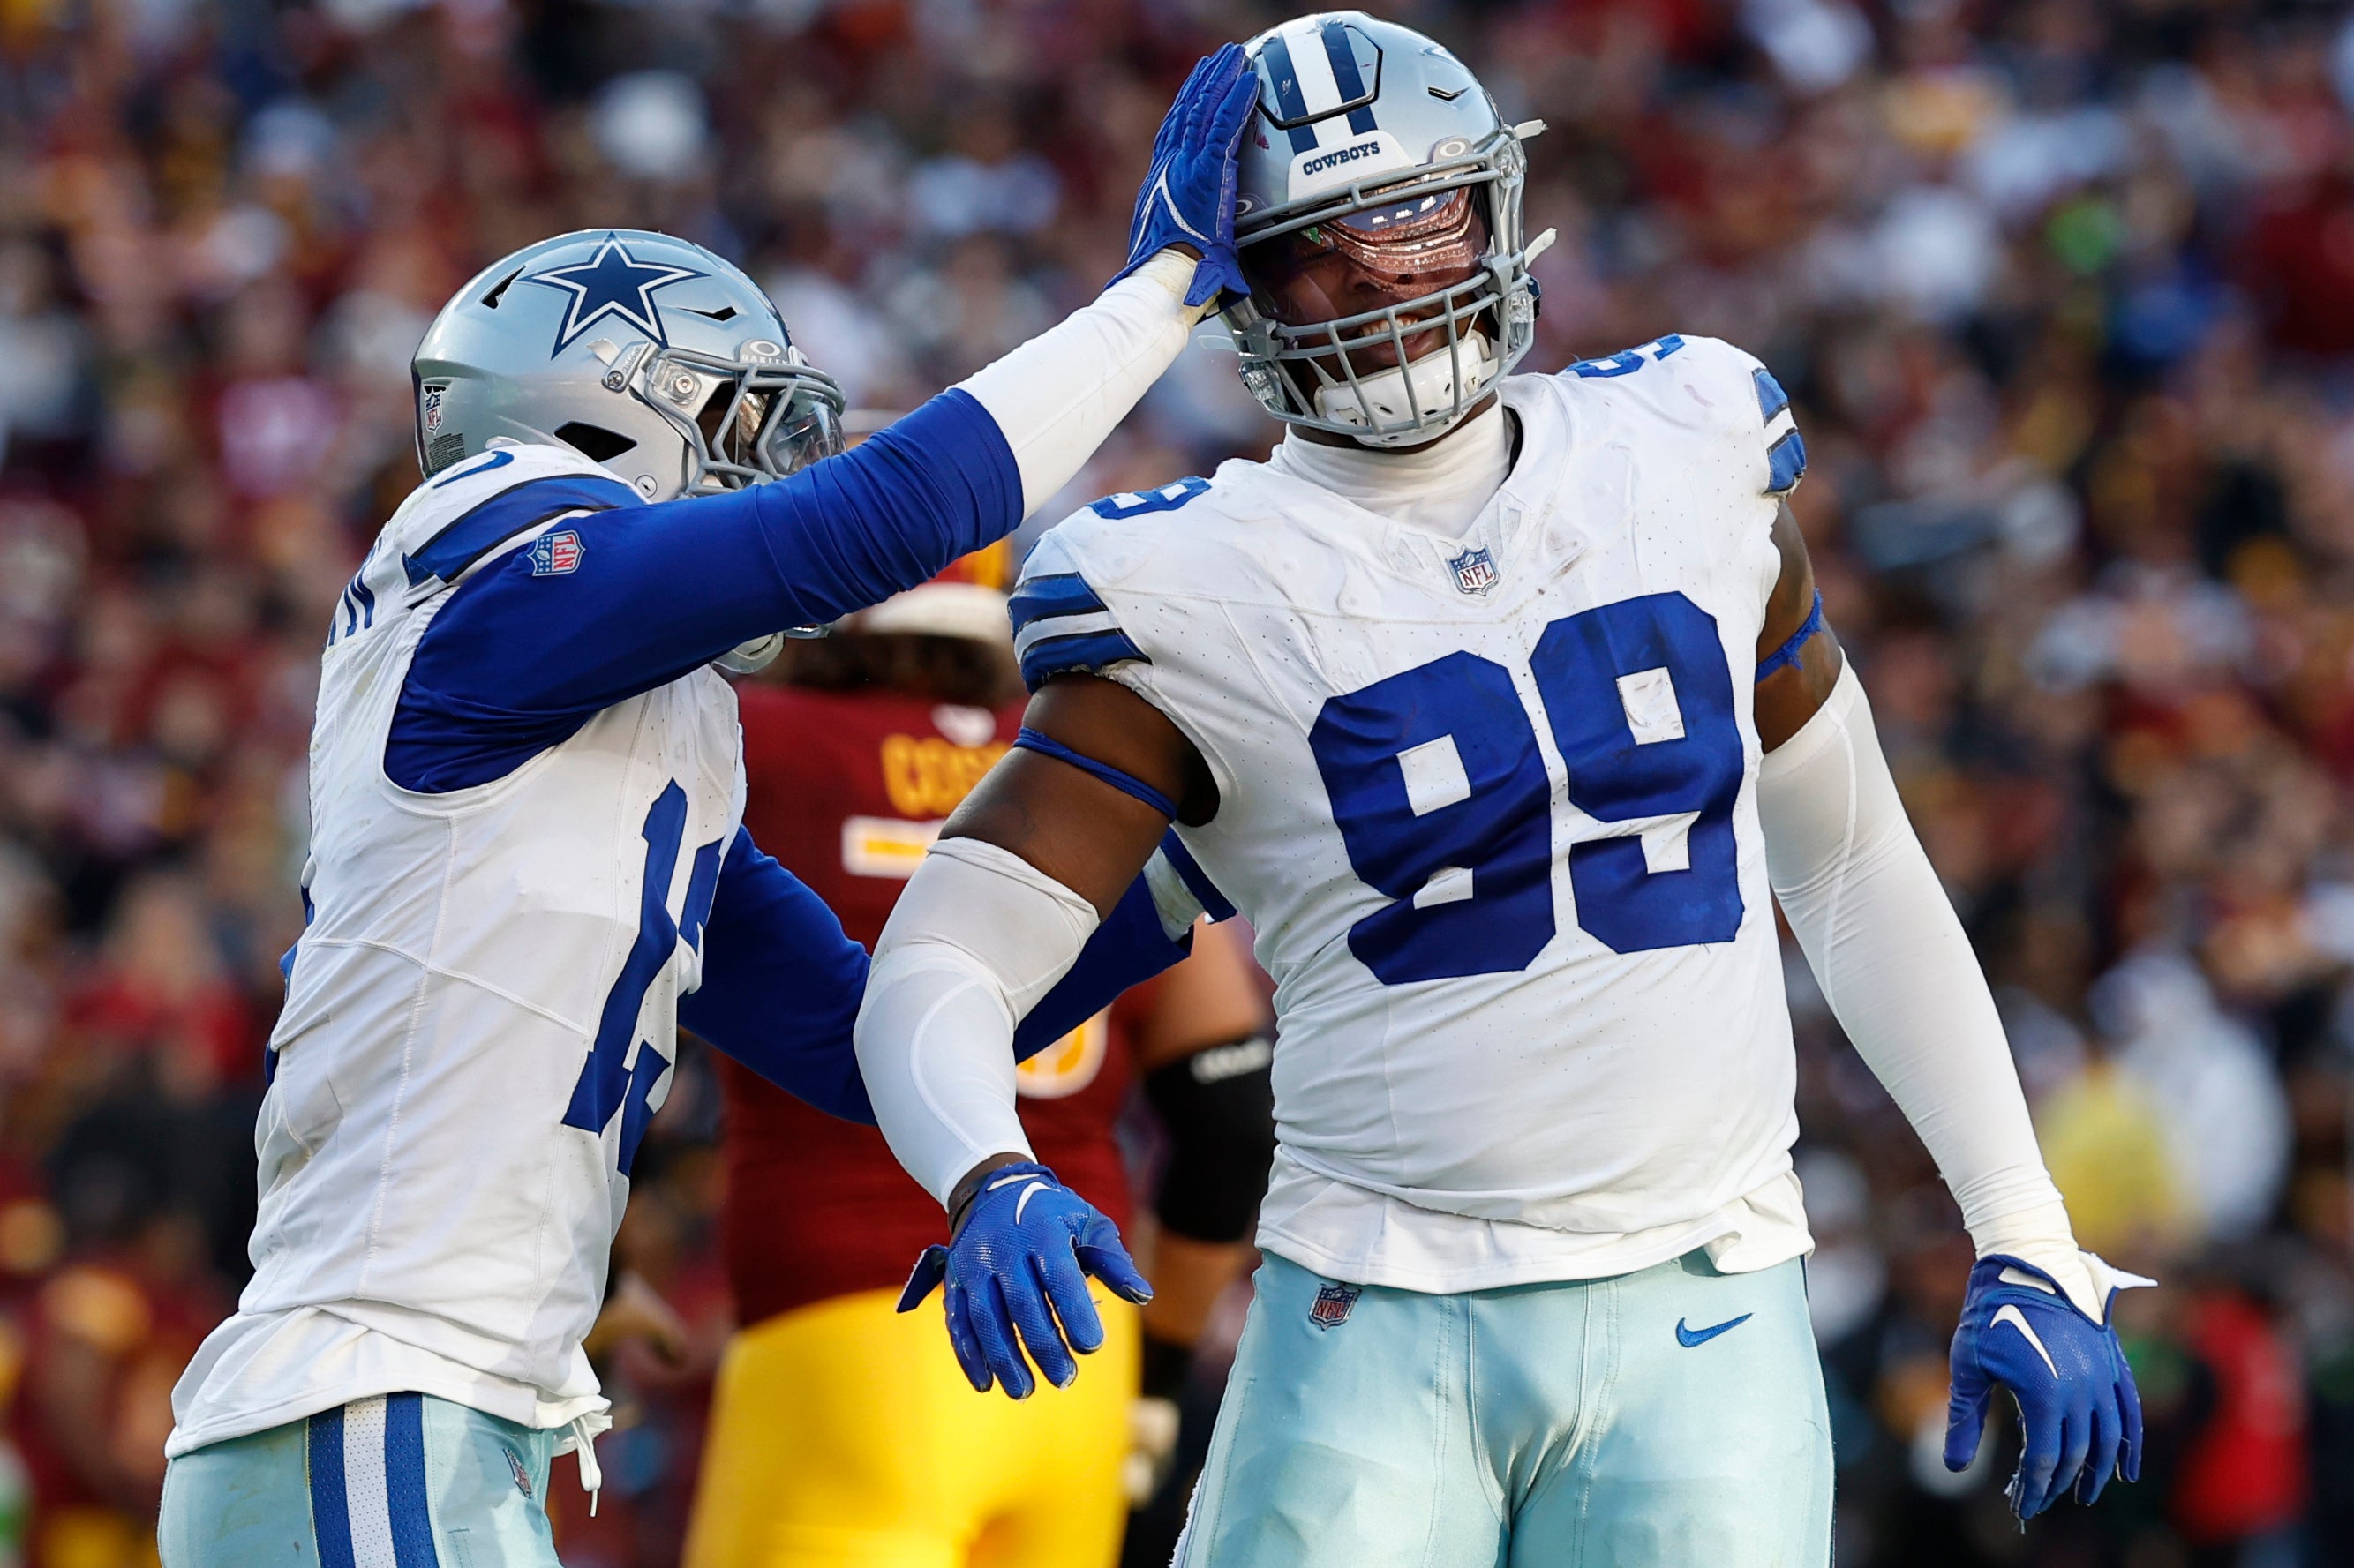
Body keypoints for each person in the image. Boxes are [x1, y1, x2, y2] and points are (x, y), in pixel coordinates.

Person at [852, 15, 2148, 1567]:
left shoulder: (1686, 445)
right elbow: (940, 956)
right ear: (1238, 283)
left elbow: (1853, 865)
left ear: (1496, 204)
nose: (1388, 274)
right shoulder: (1177, 579)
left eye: (1416, 214)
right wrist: (984, 1166)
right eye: (1319, 245)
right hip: (1371, 1317)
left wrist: (2020, 1230)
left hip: (1707, 1303)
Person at [154, 45, 1261, 1568]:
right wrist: (1164, 292)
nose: (765, 472)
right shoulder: (480, 569)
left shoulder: (654, 730)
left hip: (447, 1415)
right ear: (601, 420)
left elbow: (864, 1036)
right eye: (737, 427)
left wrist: (1203, 848)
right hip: (369, 1400)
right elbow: (874, 523)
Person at [684, 554, 1274, 1568]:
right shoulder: (1089, 777)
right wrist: (1160, 1373)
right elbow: (1226, 1109)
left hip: (842, 1345)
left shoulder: (752, 744)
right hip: (1073, 1346)